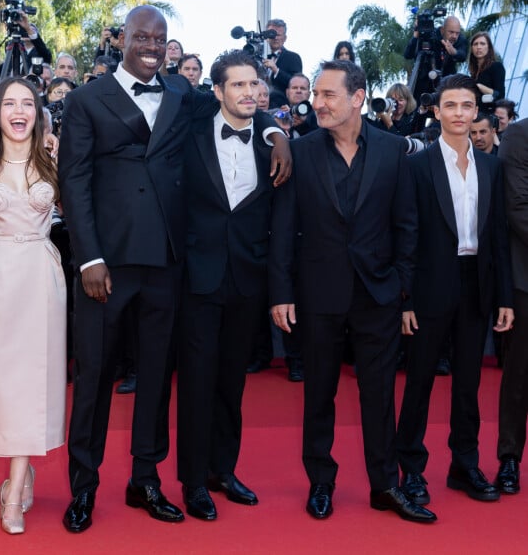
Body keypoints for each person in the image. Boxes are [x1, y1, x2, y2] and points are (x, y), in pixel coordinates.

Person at [58, 4, 291, 533]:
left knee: (159, 378)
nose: (149, 45)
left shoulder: (185, 96)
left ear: (168, 47)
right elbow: (73, 183)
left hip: (166, 264)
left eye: (159, 39)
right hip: (107, 264)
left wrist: (277, 133)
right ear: (122, 39)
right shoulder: (84, 99)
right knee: (94, 377)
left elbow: (239, 111)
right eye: (141, 36)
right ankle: (84, 487)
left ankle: (146, 478)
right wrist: (88, 257)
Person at [269, 59, 436, 523]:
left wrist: (401, 286)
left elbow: (407, 225)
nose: (316, 103)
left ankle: (385, 485)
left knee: (379, 395)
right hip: (317, 294)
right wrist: (281, 292)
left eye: (327, 95)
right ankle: (321, 481)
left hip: (377, 295)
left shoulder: (389, 151)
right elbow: (284, 229)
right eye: (315, 95)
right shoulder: (299, 153)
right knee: (318, 393)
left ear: (357, 98)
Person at [396, 74, 514, 507]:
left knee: (468, 383)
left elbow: (498, 237)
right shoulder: (416, 166)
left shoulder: (492, 166)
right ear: (436, 110)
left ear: (475, 112)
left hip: (476, 284)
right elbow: (405, 234)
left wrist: (503, 297)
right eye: (452, 106)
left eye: (467, 106)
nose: (460, 114)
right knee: (420, 382)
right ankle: (410, 469)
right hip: (429, 286)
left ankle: (465, 464)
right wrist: (403, 298)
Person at [177, 49, 278, 521]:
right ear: (217, 91)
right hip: (198, 278)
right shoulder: (192, 130)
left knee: (231, 385)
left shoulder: (274, 142)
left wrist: (277, 130)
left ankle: (223, 469)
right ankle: (193, 481)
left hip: (247, 280)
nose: (247, 92)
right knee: (197, 384)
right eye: (235, 85)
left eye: (252, 84)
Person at [0, 77, 66, 534]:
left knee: (36, 377)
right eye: (10, 103)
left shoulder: (53, 157)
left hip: (41, 276)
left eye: (27, 102)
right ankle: (21, 471)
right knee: (1, 379)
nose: (19, 110)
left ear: (38, 111)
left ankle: (13, 489)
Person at [495, 117, 528, 495]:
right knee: (520, 373)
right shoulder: (519, 136)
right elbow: (518, 207)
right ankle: (510, 457)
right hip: (526, 278)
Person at [404, 15, 468, 103]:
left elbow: (462, 55)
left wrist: (454, 52)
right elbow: (408, 55)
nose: (454, 36)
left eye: (457, 33)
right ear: (442, 29)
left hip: (446, 85)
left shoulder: (460, 40)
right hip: (423, 83)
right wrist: (415, 36)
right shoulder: (431, 36)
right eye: (451, 32)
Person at [262, 18, 303, 108]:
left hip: (281, 108)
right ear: (266, 37)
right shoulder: (259, 56)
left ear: (285, 38)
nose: (275, 38)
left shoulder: (293, 57)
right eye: (272, 34)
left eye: (279, 35)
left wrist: (276, 70)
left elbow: (297, 84)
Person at [468, 32, 506, 112]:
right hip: (474, 115)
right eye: (475, 44)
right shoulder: (473, 72)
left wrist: (480, 87)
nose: (479, 47)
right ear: (472, 48)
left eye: (482, 44)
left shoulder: (496, 66)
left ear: (488, 47)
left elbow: (500, 96)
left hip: (488, 115)